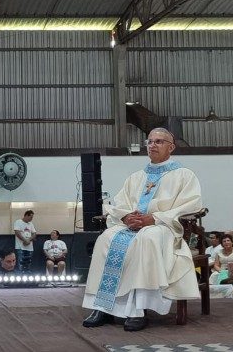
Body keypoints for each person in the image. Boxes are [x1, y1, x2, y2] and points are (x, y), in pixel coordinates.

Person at [82, 128, 202, 332]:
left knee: (146, 240)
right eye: (150, 142)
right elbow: (120, 203)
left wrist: (153, 218)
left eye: (159, 142)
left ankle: (138, 309)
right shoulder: (136, 177)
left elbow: (192, 205)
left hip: (162, 227)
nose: (153, 145)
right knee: (106, 238)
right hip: (130, 226)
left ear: (171, 147)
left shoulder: (184, 176)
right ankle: (102, 305)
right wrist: (127, 217)